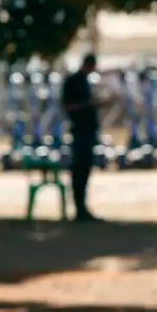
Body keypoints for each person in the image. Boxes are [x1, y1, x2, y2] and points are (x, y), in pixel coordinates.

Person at [60, 54, 103, 222]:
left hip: (88, 131)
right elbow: (68, 105)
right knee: (79, 170)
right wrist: (87, 105)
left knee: (85, 170)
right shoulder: (73, 82)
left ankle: (82, 207)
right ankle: (79, 207)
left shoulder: (85, 81)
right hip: (79, 131)